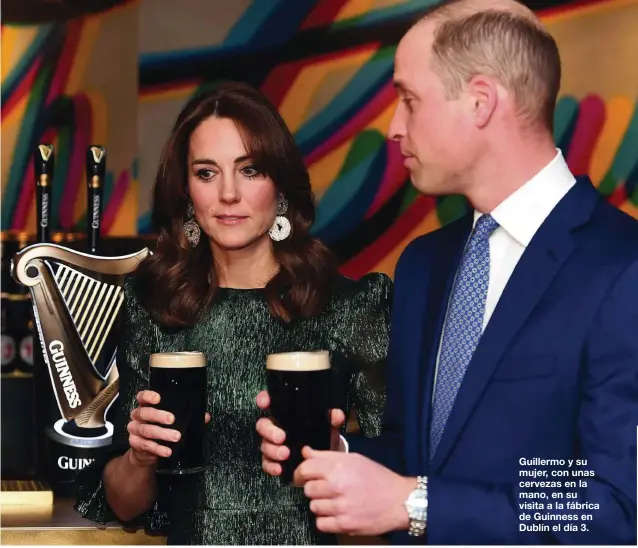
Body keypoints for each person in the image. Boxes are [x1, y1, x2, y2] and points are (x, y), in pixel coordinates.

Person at [257, 0, 638, 544]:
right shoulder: (423, 264)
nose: (393, 127)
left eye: (409, 100)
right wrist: (337, 455)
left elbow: (616, 508)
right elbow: (419, 455)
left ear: (481, 101)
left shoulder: (623, 267)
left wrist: (415, 504)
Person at [73, 81, 393, 545]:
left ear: (279, 185)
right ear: (186, 190)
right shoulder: (153, 307)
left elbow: (397, 479)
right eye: (206, 173)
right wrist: (139, 457)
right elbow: (126, 504)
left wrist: (341, 454)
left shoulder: (350, 307)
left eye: (250, 170)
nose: (227, 194)